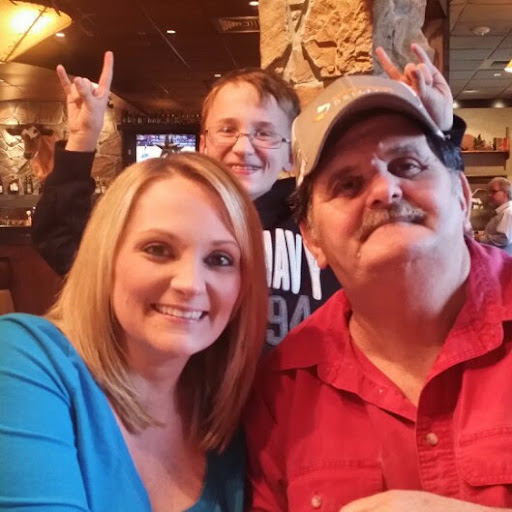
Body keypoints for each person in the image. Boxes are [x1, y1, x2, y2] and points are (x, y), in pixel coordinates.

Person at [31, 46, 461, 347]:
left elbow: (424, 235)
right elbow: (65, 244)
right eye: (227, 129)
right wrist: (82, 140)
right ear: (203, 142)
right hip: (209, 415)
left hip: (311, 406)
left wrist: (441, 134)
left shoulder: (323, 213)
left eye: (264, 133)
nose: (243, 147)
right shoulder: (177, 217)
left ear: (291, 153)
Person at [244, 74, 512, 511]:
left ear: (462, 197)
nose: (385, 190)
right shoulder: (280, 391)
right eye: (347, 184)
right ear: (312, 238)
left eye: (407, 166)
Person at [0, 153, 268, 511]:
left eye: (220, 259)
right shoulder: (23, 359)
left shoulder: (226, 408)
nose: (190, 283)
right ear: (106, 258)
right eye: (158, 250)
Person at [475, 177, 512, 254]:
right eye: (488, 192)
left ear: (505, 193)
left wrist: (480, 238)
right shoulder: (502, 212)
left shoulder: (508, 212)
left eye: (493, 191)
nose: (489, 195)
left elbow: (503, 239)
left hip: (502, 259)